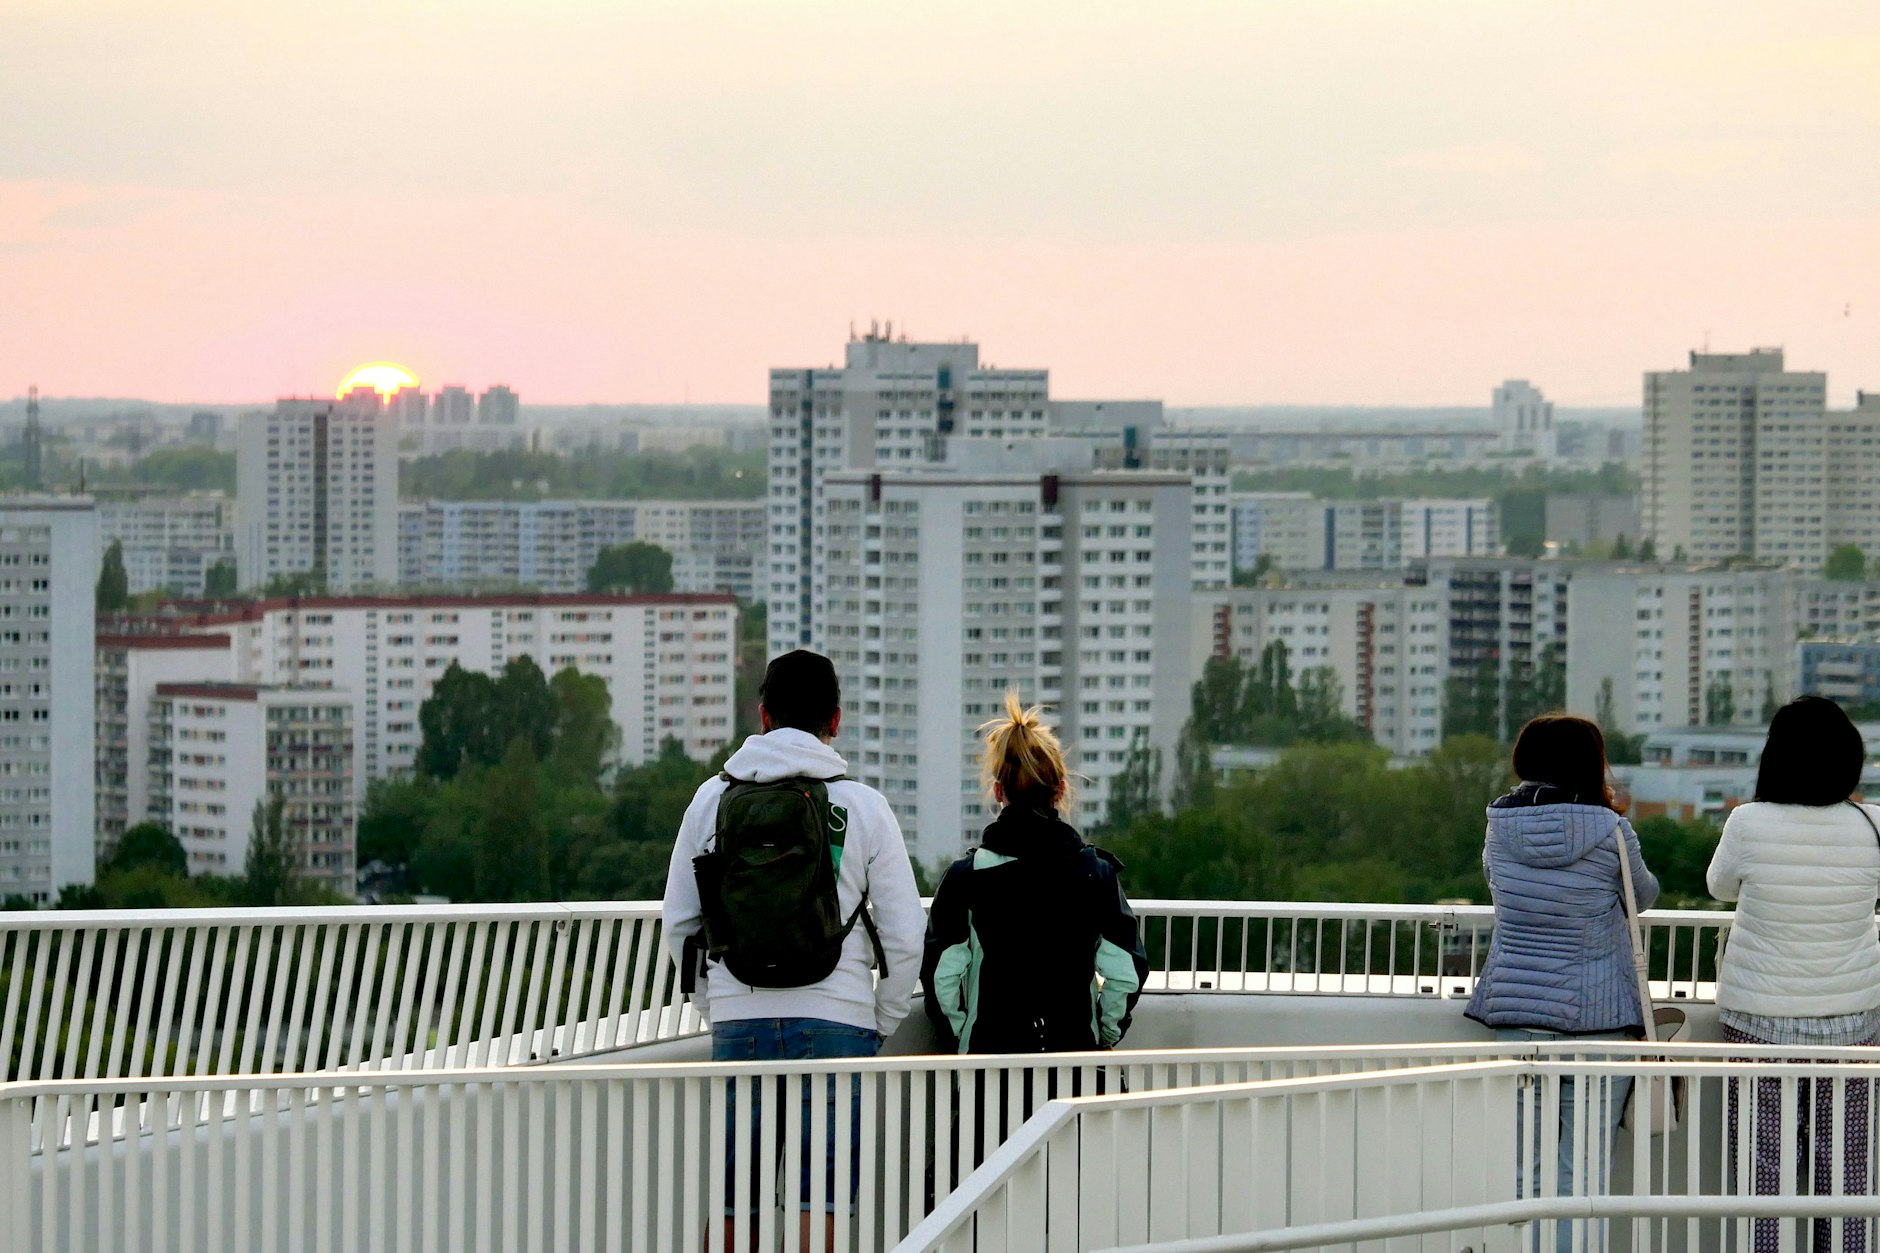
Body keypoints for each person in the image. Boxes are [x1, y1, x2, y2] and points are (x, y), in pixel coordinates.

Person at [664, 649, 925, 1250]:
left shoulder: (710, 800)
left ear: (763, 717)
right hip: (838, 1020)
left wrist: (717, 1004)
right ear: (835, 720)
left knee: (737, 1196)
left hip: (738, 1012)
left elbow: (680, 923)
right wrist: (877, 1019)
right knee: (821, 1200)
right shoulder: (863, 806)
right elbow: (906, 937)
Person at [1464, 713, 1658, 1253]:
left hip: (1520, 1016)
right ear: (1590, 764)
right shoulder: (1613, 830)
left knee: (1524, 1171)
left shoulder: (1499, 825)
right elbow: (1641, 897)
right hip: (1599, 1020)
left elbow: (1497, 887)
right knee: (1586, 1176)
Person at [1709, 695, 1880, 1253]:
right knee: (1847, 1168)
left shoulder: (1747, 821)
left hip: (1759, 1021)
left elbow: (1720, 888)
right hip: (1852, 1020)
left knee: (1765, 1168)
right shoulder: (1872, 823)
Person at [922, 691, 1149, 1054]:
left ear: (998, 791)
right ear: (1060, 790)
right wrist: (1104, 1034)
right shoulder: (1095, 874)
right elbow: (1124, 974)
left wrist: (965, 1036)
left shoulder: (967, 877)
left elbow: (942, 978)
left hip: (989, 1074)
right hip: (1074, 1070)